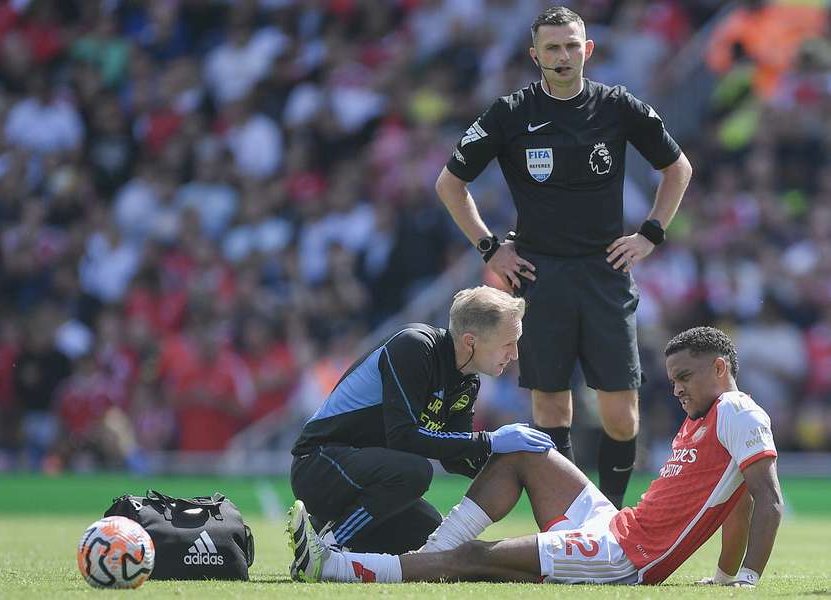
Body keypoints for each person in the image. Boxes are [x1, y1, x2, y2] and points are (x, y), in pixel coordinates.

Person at [435, 5, 694, 508]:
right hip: (540, 274)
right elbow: (450, 184)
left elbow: (677, 168)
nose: (563, 55)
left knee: (623, 413)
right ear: (535, 55)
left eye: (572, 45)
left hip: (606, 272)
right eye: (552, 47)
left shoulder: (617, 106)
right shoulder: (511, 113)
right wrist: (491, 247)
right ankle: (570, 519)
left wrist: (650, 234)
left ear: (588, 50)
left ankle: (613, 515)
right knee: (551, 407)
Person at [288, 326, 783, 587]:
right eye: (673, 380)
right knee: (524, 450)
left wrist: (744, 581)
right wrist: (721, 577)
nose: (676, 389)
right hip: (615, 525)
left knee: (471, 559)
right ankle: (426, 556)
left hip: (625, 557)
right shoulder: (704, 419)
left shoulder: (738, 411)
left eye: (686, 378)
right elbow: (734, 503)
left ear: (720, 368)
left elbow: (766, 500)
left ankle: (335, 568)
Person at [289, 286, 555, 555]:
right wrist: (492, 440)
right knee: (415, 472)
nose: (515, 354)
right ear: (470, 341)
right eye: (508, 343)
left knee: (436, 542)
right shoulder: (415, 347)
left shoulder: (468, 381)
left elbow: (456, 457)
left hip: (362, 477)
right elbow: (404, 437)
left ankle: (328, 524)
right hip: (317, 465)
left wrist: (514, 464)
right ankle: (325, 547)